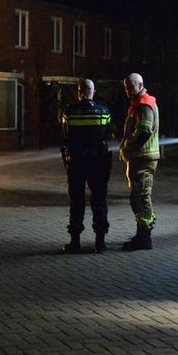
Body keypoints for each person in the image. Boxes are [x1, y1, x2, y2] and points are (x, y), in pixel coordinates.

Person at [60, 79, 112, 254]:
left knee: (76, 202)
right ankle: (100, 243)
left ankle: (75, 242)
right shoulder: (104, 112)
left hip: (77, 163)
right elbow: (107, 134)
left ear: (79, 92)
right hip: (99, 163)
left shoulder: (70, 113)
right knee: (99, 202)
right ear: (93, 92)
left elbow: (65, 134)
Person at [119, 73, 160, 251]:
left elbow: (144, 131)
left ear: (140, 84)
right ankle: (142, 234)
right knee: (137, 197)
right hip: (140, 158)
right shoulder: (139, 103)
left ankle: (144, 238)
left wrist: (128, 147)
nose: (128, 91)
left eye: (130, 87)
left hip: (143, 158)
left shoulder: (144, 104)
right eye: (126, 87)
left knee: (141, 197)